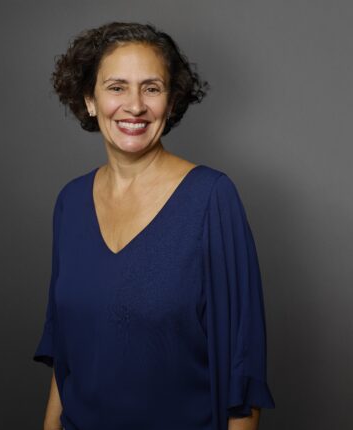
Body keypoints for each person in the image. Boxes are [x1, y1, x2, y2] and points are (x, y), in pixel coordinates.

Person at [31, 22, 276, 430]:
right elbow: (66, 356)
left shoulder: (211, 198)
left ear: (171, 101)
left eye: (151, 88)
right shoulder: (70, 203)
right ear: (89, 99)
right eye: (116, 87)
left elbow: (242, 367)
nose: (135, 106)